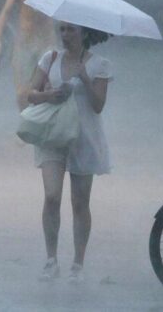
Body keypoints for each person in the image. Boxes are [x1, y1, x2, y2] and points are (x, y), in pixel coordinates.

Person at [26, 22, 113, 283]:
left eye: (71, 30)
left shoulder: (100, 64)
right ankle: (51, 260)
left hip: (83, 139)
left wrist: (85, 78)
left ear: (85, 32)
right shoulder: (50, 58)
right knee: (52, 196)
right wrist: (50, 94)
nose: (65, 35)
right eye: (62, 29)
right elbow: (30, 93)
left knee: (79, 202)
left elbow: (98, 105)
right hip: (52, 136)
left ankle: (78, 263)